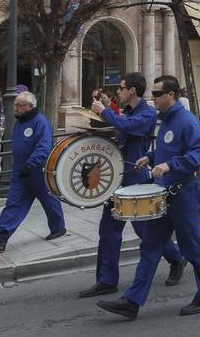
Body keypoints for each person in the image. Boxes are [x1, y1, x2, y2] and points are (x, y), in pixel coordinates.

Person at [98, 75, 200, 318]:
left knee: (193, 248)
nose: (153, 99)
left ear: (170, 95)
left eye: (157, 94)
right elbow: (167, 149)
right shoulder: (167, 121)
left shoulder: (187, 121)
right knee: (150, 247)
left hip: (185, 195)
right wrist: (151, 158)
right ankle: (132, 301)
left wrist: (171, 165)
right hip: (163, 194)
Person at [79, 73, 187, 297]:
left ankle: (177, 259)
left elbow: (127, 127)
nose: (118, 92)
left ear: (132, 91)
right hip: (117, 178)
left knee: (145, 230)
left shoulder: (147, 113)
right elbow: (121, 127)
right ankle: (107, 280)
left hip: (136, 179)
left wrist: (105, 111)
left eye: (121, 88)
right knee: (108, 231)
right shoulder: (127, 111)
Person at [0, 92, 65, 251]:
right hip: (20, 173)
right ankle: (0, 238)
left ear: (30, 106)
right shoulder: (20, 122)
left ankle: (58, 228)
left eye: (19, 105)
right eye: (15, 105)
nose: (15, 108)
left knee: (50, 201)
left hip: (38, 171)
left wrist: (31, 164)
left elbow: (44, 146)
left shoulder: (41, 123)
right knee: (13, 204)